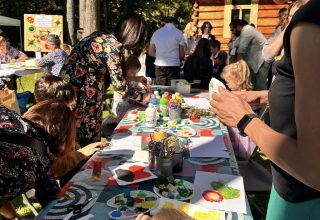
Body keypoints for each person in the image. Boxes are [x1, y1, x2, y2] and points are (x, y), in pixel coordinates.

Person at [211, 0, 320, 219]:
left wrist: (245, 120)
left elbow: (313, 168)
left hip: (301, 198)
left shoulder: (312, 20)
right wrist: (263, 97)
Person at [60, 13, 147, 147]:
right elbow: (120, 88)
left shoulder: (103, 36)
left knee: (74, 132)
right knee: (86, 133)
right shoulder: (113, 47)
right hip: (82, 92)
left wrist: (135, 80)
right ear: (133, 35)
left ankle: (81, 159)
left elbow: (115, 73)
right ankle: (86, 163)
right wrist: (143, 97)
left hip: (73, 88)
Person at [0, 100, 76, 219]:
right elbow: (55, 208)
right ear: (63, 139)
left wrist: (14, 217)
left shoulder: (7, 114)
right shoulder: (42, 165)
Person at [34, 75, 103, 178]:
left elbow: (69, 148)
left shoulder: (44, 119)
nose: (71, 110)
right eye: (68, 106)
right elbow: (55, 168)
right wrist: (81, 154)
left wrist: (79, 150)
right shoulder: (51, 128)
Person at [230, 19, 270, 90]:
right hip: (256, 62)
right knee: (254, 87)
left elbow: (241, 50)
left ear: (238, 26)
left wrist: (238, 68)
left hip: (262, 61)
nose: (232, 32)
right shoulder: (244, 32)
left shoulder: (247, 30)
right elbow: (234, 45)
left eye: (232, 30)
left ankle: (264, 101)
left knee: (260, 87)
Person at [148, 17, 185, 85]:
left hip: (159, 65)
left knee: (161, 90)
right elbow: (182, 55)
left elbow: (150, 52)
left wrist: (160, 56)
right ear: (176, 24)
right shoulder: (179, 33)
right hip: (174, 65)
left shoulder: (156, 33)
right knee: (173, 92)